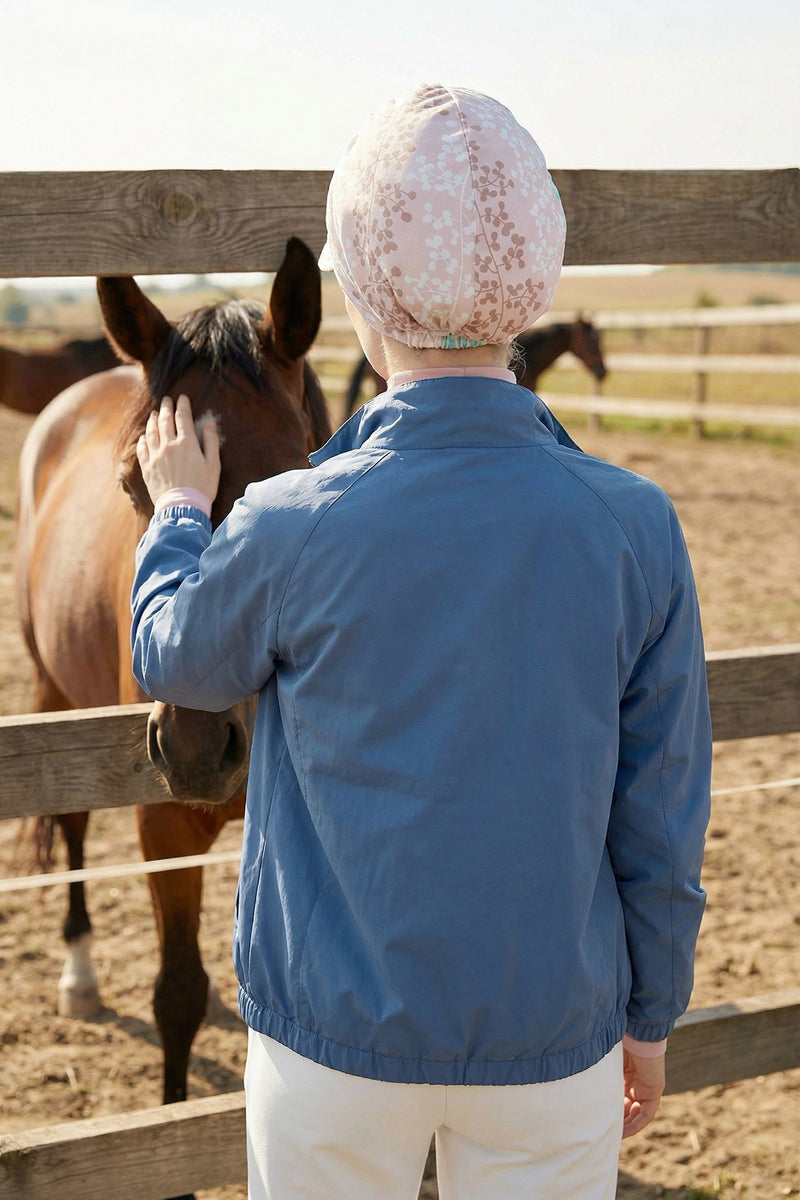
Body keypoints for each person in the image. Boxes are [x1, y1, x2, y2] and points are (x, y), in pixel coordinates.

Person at [130, 84, 711, 1200]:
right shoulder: (632, 524)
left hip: (330, 1043)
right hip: (554, 1036)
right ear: (528, 282)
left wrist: (176, 514)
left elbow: (175, 656)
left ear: (361, 296)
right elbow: (661, 807)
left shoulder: (289, 521)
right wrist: (649, 1016)